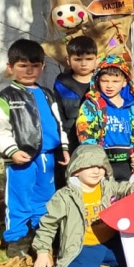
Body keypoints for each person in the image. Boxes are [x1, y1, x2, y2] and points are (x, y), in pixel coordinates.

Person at [0, 39, 69, 257]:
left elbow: (58, 123)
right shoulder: (4, 98)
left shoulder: (47, 94)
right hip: (21, 159)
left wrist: (64, 147)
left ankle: (42, 234)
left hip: (48, 158)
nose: (29, 70)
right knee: (20, 198)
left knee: (45, 197)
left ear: (42, 67)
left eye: (35, 65)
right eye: (23, 65)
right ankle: (17, 238)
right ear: (10, 67)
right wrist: (12, 150)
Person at [29, 145, 134, 267]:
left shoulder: (108, 186)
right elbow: (48, 224)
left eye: (100, 166)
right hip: (83, 246)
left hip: (110, 241)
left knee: (133, 258)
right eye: (88, 166)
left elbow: (123, 188)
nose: (96, 171)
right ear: (75, 170)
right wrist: (43, 252)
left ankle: (103, 258)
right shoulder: (65, 196)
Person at [77, 54, 134, 182]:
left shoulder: (133, 105)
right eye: (105, 81)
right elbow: (84, 132)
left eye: (115, 81)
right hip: (101, 164)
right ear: (97, 80)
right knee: (106, 199)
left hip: (128, 163)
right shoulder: (92, 105)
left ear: (124, 82)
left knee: (128, 196)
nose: (109, 86)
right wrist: (95, 157)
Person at [53, 37, 97, 189]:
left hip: (98, 141)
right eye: (78, 59)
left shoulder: (104, 81)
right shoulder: (61, 83)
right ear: (68, 60)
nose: (84, 63)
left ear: (96, 59)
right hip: (71, 141)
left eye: (89, 59)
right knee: (73, 180)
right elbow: (58, 115)